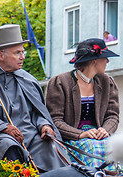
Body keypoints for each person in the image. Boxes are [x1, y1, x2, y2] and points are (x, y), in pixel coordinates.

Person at [0, 24, 67, 172]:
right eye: (17, 53)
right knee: (10, 146)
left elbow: (38, 112)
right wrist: (3, 127)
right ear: (2, 55)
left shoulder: (27, 78)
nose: (22, 57)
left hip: (31, 136)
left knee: (49, 146)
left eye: (23, 52)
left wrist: (44, 125)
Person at [46, 38, 119, 169]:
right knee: (92, 147)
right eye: (105, 57)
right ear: (94, 60)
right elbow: (55, 120)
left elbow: (112, 116)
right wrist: (80, 134)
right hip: (73, 141)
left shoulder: (107, 82)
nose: (107, 61)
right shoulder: (60, 82)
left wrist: (105, 130)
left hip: (100, 138)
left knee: (117, 147)